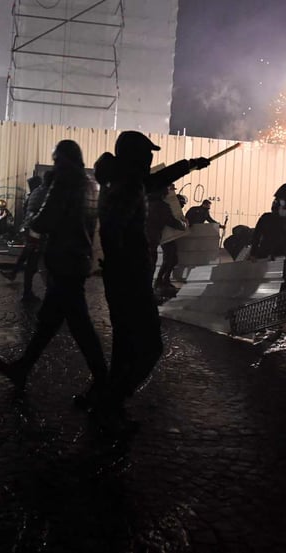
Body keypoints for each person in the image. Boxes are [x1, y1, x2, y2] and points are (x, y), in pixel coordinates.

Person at [94, 131, 211, 426]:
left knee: (124, 345)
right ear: (134, 156)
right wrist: (128, 266)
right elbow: (115, 231)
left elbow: (155, 181)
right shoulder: (127, 186)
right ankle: (113, 399)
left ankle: (108, 397)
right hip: (129, 275)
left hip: (120, 273)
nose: (151, 159)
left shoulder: (120, 180)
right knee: (150, 346)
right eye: (147, 154)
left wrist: (190, 164)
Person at [0, 141, 108, 401]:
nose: (56, 164)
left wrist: (33, 226)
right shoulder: (91, 184)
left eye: (57, 159)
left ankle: (103, 380)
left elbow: (45, 218)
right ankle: (23, 367)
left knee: (80, 326)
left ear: (66, 159)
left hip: (63, 259)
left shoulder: (65, 181)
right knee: (50, 322)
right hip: (78, 258)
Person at [0, 173, 50, 302]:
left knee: (28, 254)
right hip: (39, 231)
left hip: (31, 229)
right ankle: (31, 291)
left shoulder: (34, 193)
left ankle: (15, 274)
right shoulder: (45, 193)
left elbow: (25, 209)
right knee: (35, 260)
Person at [147, 183, 187, 295]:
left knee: (163, 260)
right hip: (160, 237)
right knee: (161, 261)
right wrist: (182, 226)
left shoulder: (145, 202)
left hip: (150, 237)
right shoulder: (162, 205)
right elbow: (171, 220)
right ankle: (156, 285)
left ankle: (160, 282)